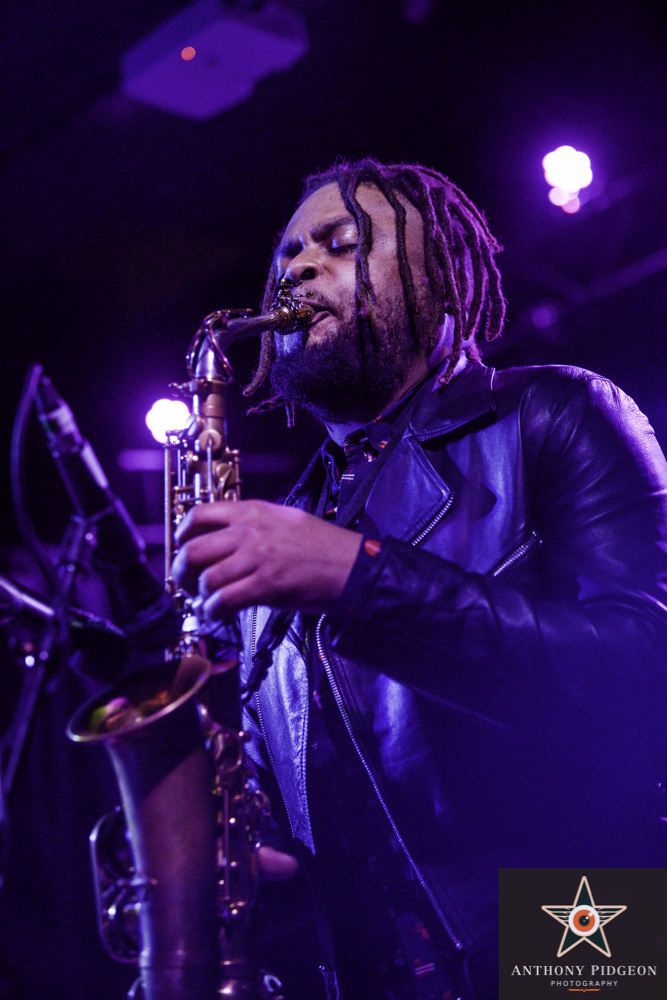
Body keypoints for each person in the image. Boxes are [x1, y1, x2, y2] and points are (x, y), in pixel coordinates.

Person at [172, 159, 667, 1000]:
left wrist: (357, 578)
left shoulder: (557, 412)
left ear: (438, 278)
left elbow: (641, 668)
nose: (296, 268)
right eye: (288, 252)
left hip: (576, 917)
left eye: (342, 243)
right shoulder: (281, 527)